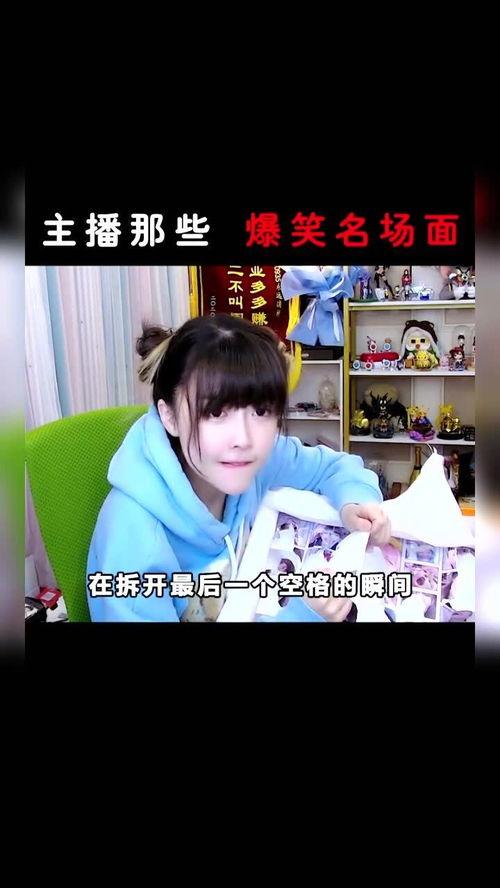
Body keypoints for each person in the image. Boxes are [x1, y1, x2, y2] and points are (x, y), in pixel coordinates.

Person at [87, 314, 391, 622]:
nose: (243, 439)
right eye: (216, 412)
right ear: (170, 417)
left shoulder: (254, 459)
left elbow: (334, 467)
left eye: (261, 410)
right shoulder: (133, 542)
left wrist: (355, 503)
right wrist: (302, 616)